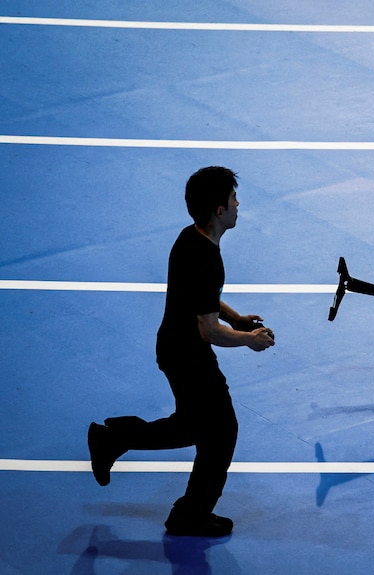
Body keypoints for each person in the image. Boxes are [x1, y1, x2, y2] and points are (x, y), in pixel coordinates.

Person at [87, 166, 275, 537]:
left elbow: (202, 299)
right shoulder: (207, 258)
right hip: (188, 355)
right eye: (234, 199)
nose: (238, 204)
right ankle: (189, 514)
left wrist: (235, 317)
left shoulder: (191, 238)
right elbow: (208, 331)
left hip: (176, 348)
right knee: (221, 432)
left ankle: (113, 439)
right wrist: (249, 339)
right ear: (219, 210)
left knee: (195, 426)